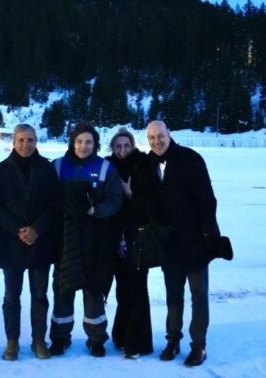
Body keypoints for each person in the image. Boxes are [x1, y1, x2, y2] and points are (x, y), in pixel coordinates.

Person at [134, 120, 219, 367]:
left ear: (169, 134)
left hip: (195, 241)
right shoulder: (148, 164)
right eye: (151, 138)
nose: (156, 141)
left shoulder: (190, 158)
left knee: (198, 294)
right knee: (173, 295)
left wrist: (208, 235)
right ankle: (173, 340)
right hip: (168, 242)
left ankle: (199, 345)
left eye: (160, 136)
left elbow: (207, 200)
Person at [49, 122, 122, 357]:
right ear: (72, 142)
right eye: (79, 141)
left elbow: (115, 200)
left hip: (95, 238)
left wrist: (96, 211)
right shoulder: (58, 166)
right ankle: (60, 337)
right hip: (65, 237)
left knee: (94, 287)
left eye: (88, 142)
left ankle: (97, 338)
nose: (83, 146)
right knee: (63, 286)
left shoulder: (105, 168)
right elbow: (47, 198)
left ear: (95, 144)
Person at [0, 124, 61, 361]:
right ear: (13, 141)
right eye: (21, 140)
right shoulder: (1, 170)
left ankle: (39, 339)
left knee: (39, 295)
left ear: (36, 141)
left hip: (40, 242)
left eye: (30, 140)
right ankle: (12, 340)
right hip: (12, 242)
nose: (25, 144)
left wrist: (37, 229)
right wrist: (17, 229)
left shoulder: (47, 168)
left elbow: (54, 204)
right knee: (12, 296)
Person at [105, 127, 153, 359]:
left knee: (138, 289)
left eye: (126, 145)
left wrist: (130, 194)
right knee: (122, 290)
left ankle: (137, 342)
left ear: (133, 146)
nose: (122, 150)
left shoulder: (143, 166)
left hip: (138, 237)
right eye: (118, 146)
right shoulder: (107, 166)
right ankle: (121, 336)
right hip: (114, 237)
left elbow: (152, 206)